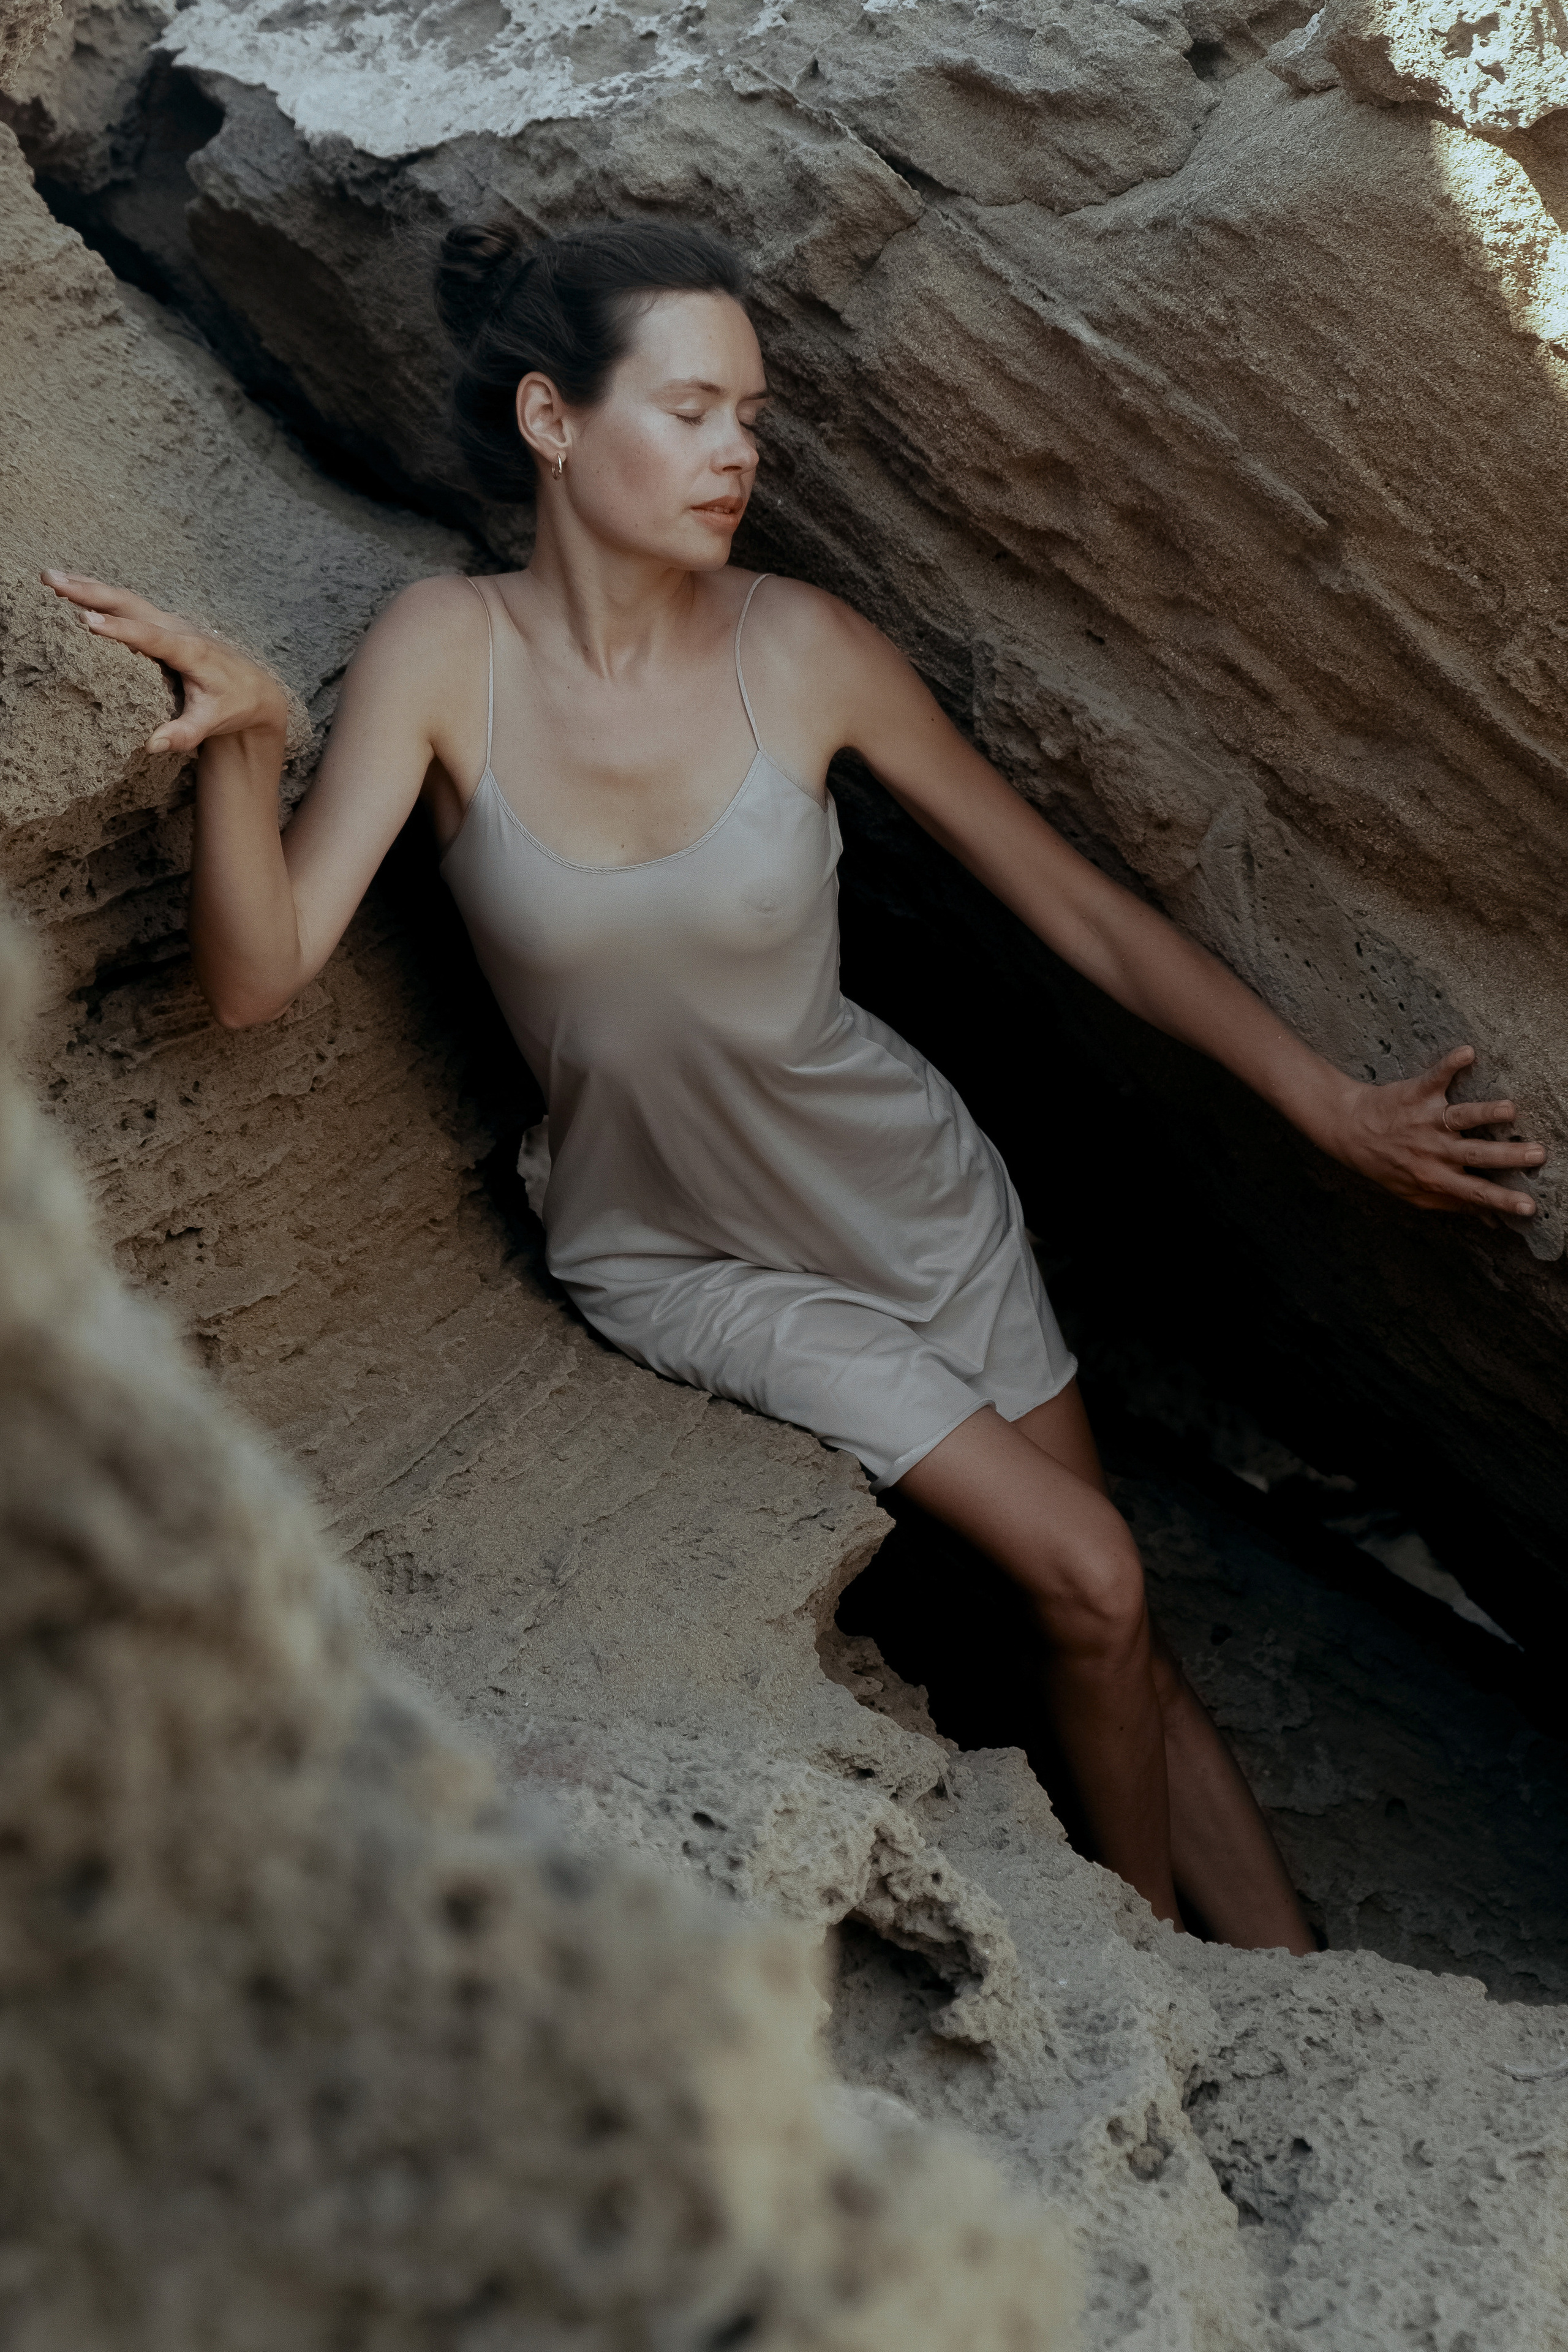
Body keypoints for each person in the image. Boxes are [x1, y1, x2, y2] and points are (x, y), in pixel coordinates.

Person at [42, 219, 1546, 1956]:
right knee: (1091, 1575)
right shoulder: (443, 653)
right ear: (551, 417)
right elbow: (258, 974)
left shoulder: (805, 648)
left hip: (911, 1199)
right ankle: (1145, 1981)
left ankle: (1291, 1982)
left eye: (751, 415)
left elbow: (1073, 909)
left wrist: (1330, 1106)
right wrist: (241, 743)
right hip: (688, 1257)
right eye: (691, 409)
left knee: (1113, 1627)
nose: (739, 450)